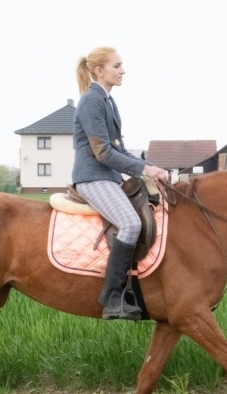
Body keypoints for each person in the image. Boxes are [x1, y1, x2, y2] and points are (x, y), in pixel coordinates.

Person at [72, 47, 169, 321]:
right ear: (99, 71)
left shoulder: (108, 101)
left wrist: (150, 168)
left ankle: (134, 289)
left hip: (109, 177)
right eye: (117, 66)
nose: (123, 70)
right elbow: (102, 152)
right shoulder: (92, 101)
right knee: (130, 223)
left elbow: (120, 149)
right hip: (92, 177)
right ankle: (112, 298)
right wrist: (143, 169)